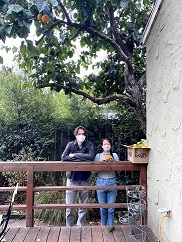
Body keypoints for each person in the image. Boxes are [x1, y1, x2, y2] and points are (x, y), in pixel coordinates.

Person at [61, 126, 95, 227]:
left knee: (83, 206)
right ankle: (69, 227)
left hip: (85, 179)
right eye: (79, 134)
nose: (81, 136)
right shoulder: (70, 145)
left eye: (83, 134)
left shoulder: (89, 144)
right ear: (75, 135)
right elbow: (63, 158)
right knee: (69, 207)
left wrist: (74, 155)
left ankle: (81, 226)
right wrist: (81, 158)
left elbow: (91, 157)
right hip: (72, 179)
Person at [94, 138, 120, 226]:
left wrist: (114, 162)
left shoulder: (115, 155)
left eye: (108, 144)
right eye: (104, 144)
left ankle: (111, 226)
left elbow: (119, 170)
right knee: (102, 208)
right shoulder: (98, 156)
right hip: (100, 181)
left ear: (111, 145)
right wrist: (102, 163)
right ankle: (103, 227)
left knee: (111, 208)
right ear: (102, 146)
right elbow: (94, 170)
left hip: (112, 181)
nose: (106, 145)